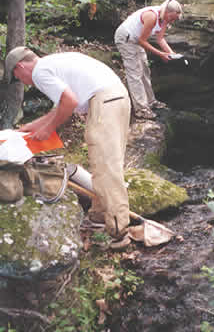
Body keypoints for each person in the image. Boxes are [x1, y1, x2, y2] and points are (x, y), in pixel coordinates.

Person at [5, 47, 131, 250]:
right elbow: (61, 106)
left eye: (17, 77)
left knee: (107, 167)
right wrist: (33, 126)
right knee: (103, 163)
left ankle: (119, 232)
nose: (22, 82)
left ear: (19, 67)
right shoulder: (53, 63)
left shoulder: (40, 71)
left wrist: (48, 129)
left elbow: (69, 102)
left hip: (104, 102)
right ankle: (99, 217)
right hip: (114, 98)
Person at [114, 0, 183, 120]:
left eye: (174, 19)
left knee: (145, 70)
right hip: (126, 38)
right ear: (167, 12)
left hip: (136, 39)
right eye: (172, 18)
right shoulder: (152, 16)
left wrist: (171, 53)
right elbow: (142, 41)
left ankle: (151, 101)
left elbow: (160, 38)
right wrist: (161, 54)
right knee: (135, 73)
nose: (172, 21)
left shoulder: (164, 19)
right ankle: (141, 109)